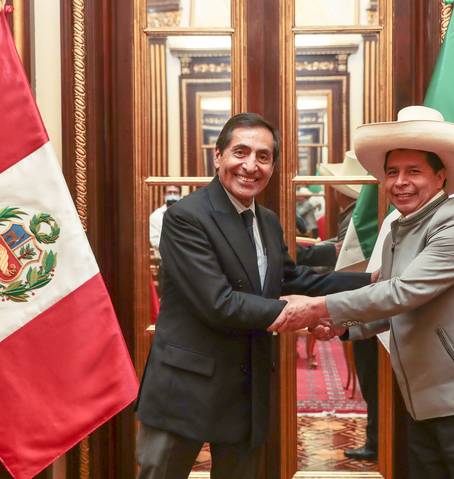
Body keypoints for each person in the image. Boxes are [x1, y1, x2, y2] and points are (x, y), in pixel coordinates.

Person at [270, 106, 454, 478]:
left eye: (414, 171)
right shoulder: (398, 231)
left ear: (441, 176)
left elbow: (403, 292)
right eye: (392, 172)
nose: (400, 182)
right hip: (425, 404)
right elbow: (396, 306)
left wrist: (316, 306)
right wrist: (345, 328)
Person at [135, 112, 370, 479]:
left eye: (263, 156)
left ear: (273, 165)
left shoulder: (268, 220)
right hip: (185, 388)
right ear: (218, 157)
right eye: (240, 152)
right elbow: (219, 303)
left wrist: (374, 283)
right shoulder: (186, 217)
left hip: (247, 387)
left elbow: (292, 277)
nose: (250, 166)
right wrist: (298, 312)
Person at [319, 152, 378, 461]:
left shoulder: (359, 217)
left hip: (365, 309)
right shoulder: (359, 213)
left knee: (372, 377)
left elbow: (347, 262)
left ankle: (376, 440)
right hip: (364, 308)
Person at [149, 185, 181, 251]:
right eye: (169, 192)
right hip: (163, 258)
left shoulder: (187, 214)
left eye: (175, 193)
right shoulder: (155, 216)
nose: (172, 195)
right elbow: (154, 241)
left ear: (180, 195)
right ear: (164, 195)